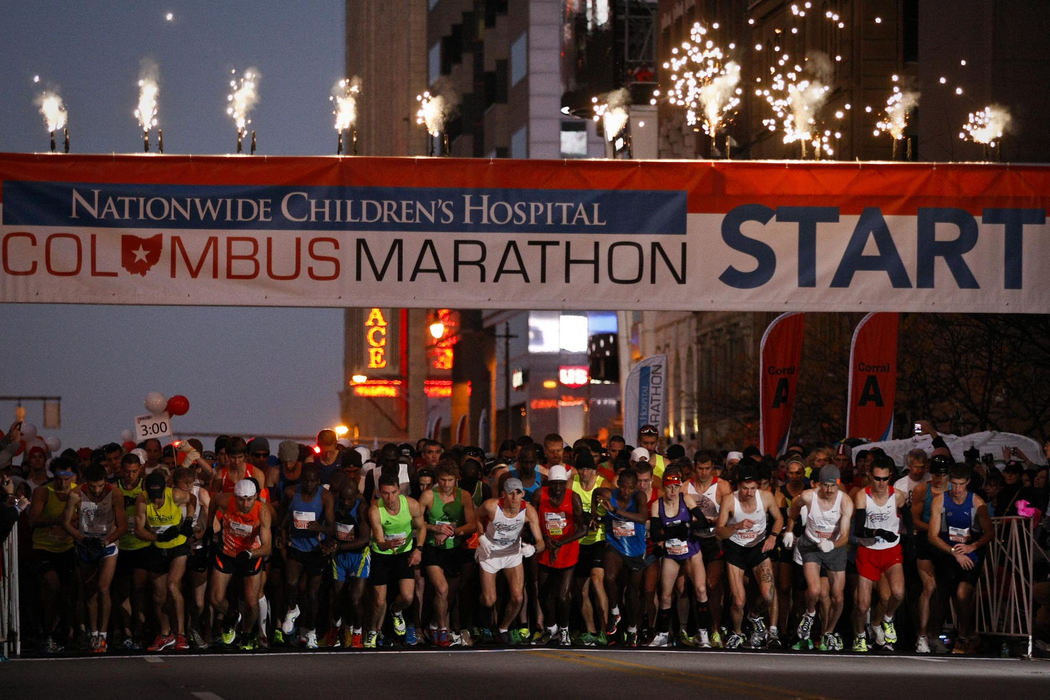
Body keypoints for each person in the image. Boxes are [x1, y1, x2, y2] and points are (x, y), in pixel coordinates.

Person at [60, 461, 127, 653]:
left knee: (103, 588)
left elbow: (122, 525)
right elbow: (65, 522)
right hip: (85, 543)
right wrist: (81, 539)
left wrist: (106, 541)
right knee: (90, 592)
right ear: (85, 483)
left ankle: (103, 635)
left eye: (100, 486)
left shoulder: (114, 493)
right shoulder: (75, 495)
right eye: (92, 486)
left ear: (105, 482)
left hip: (108, 544)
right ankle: (93, 632)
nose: (97, 491)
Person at [785, 465, 853, 652]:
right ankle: (809, 614)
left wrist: (832, 544)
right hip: (811, 545)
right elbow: (794, 508)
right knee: (814, 591)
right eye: (825, 486)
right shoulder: (808, 496)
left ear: (838, 484)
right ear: (819, 484)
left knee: (837, 597)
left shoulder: (844, 501)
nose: (829, 490)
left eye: (833, 486)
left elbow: (845, 535)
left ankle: (829, 632)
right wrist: (790, 531)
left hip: (835, 547)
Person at [928, 464, 994, 654]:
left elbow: (990, 533)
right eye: (954, 484)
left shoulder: (977, 502)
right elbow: (932, 535)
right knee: (941, 593)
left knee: (963, 593)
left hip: (971, 550)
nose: (957, 489)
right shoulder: (940, 500)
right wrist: (953, 552)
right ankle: (935, 635)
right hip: (949, 550)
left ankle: (964, 636)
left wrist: (971, 547)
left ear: (968, 483)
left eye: (961, 485)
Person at [716, 465, 784, 649]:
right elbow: (719, 532)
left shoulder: (766, 497)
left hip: (758, 548)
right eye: (745, 488)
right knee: (738, 601)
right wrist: (737, 526)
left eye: (753, 488)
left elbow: (779, 519)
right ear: (739, 486)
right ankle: (737, 633)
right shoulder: (730, 500)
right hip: (736, 549)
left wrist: (773, 536)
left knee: (768, 596)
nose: (749, 492)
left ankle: (754, 615)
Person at [475, 476, 545, 645]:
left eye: (518, 493)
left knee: (518, 598)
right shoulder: (492, 506)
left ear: (523, 494)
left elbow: (541, 542)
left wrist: (533, 549)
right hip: (490, 553)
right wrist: (481, 537)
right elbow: (476, 518)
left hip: (512, 554)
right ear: (503, 495)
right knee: (489, 599)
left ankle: (503, 628)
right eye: (510, 493)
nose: (514, 497)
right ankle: (482, 623)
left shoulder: (528, 511)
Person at [647, 470, 713, 648]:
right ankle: (662, 634)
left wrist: (687, 525)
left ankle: (704, 633)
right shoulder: (657, 505)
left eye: (676, 487)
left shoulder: (686, 499)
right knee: (666, 594)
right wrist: (677, 530)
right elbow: (654, 533)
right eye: (669, 487)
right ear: (664, 488)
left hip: (691, 551)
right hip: (672, 552)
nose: (673, 491)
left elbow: (703, 522)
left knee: (700, 589)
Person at [850, 454, 908, 652]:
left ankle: (885, 620)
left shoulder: (898, 496)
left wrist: (907, 538)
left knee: (897, 593)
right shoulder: (861, 495)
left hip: (891, 550)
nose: (881, 483)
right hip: (868, 551)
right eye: (877, 479)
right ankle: (859, 636)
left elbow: (908, 522)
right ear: (869, 476)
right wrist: (878, 532)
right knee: (862, 604)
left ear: (890, 477)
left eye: (885, 479)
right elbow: (858, 529)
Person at [209, 477, 273, 649]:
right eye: (241, 499)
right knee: (215, 599)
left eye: (249, 499)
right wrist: (209, 526)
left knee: (251, 602)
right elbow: (213, 501)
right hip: (227, 552)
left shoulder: (262, 511)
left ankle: (246, 634)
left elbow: (267, 548)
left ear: (256, 497)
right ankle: (232, 615)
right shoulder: (225, 500)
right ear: (234, 497)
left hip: (250, 554)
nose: (245, 504)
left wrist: (250, 553)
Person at [135, 471, 194, 652]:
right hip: (158, 546)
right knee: (159, 595)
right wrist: (155, 537)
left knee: (172, 585)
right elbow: (138, 530)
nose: (156, 502)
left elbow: (192, 499)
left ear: (165, 490)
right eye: (153, 497)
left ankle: (182, 634)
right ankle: (165, 633)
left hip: (178, 545)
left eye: (159, 497)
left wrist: (188, 521)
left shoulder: (174, 494)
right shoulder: (142, 501)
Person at [277, 463, 334, 649]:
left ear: (318, 481)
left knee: (312, 594)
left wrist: (321, 527)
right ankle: (292, 610)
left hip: (316, 549)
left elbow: (333, 526)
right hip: (297, 546)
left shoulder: (325, 497)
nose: (309, 484)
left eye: (312, 481)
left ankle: (311, 632)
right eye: (305, 481)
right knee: (291, 582)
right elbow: (284, 516)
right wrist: (283, 535)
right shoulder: (292, 493)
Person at [418, 463, 476, 646]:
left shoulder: (464, 496)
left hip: (455, 549)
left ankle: (434, 624)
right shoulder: (428, 495)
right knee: (441, 589)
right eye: (443, 480)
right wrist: (436, 528)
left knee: (449, 594)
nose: (446, 484)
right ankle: (443, 630)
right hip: (432, 548)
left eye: (450, 480)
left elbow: (472, 524)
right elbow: (416, 523)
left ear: (456, 479)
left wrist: (453, 531)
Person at [366, 473, 425, 648]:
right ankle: (373, 631)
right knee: (378, 600)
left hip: (403, 554)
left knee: (407, 597)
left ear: (399, 490)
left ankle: (396, 610)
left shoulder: (412, 505)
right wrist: (388, 544)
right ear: (379, 492)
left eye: (393, 492)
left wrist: (418, 549)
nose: (389, 497)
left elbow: (421, 528)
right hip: (382, 555)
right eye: (385, 493)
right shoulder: (375, 510)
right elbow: (379, 541)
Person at [28, 456, 78, 653]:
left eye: (67, 478)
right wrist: (59, 520)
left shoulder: (78, 492)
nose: (62, 482)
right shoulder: (43, 492)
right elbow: (33, 519)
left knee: (68, 592)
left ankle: (63, 632)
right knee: (51, 585)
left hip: (67, 549)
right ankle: (46, 632)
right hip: (44, 548)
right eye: (58, 477)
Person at [533, 464, 586, 646]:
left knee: (563, 595)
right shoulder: (540, 495)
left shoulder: (574, 497)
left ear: (565, 483)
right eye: (554, 484)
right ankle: (551, 628)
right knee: (543, 592)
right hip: (546, 547)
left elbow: (583, 529)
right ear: (549, 482)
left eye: (560, 484)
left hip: (567, 548)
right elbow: (530, 520)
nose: (557, 488)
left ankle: (564, 630)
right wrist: (544, 538)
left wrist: (561, 543)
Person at [596, 468, 648, 647]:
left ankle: (632, 630)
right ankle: (614, 611)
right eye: (624, 488)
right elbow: (596, 492)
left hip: (635, 549)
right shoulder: (610, 494)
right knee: (609, 577)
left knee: (632, 593)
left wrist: (617, 511)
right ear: (618, 485)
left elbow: (642, 517)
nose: (627, 492)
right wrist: (596, 514)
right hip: (616, 544)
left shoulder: (639, 497)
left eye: (631, 488)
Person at [686, 449, 732, 647]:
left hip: (714, 542)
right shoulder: (685, 487)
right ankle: (697, 629)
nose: (704, 472)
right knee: (695, 587)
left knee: (713, 586)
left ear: (713, 468)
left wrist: (718, 521)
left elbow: (731, 513)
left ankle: (714, 630)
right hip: (693, 541)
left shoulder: (722, 486)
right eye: (700, 468)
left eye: (707, 468)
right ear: (695, 467)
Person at [911, 454, 951, 653]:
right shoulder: (921, 490)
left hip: (946, 543)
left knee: (942, 590)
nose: (939, 478)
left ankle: (935, 635)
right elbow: (915, 520)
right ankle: (922, 635)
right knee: (929, 586)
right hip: (926, 541)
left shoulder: (955, 490)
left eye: (943, 475)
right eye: (935, 474)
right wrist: (933, 529)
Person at [324, 479, 371, 648]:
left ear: (355, 497)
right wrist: (327, 543)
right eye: (343, 498)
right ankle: (335, 630)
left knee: (355, 599)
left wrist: (339, 546)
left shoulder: (362, 508)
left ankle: (357, 633)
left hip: (358, 557)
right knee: (337, 597)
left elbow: (365, 539)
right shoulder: (334, 505)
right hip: (340, 557)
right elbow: (329, 529)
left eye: (349, 499)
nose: (346, 502)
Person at [571, 449, 610, 646]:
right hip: (579, 541)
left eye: (587, 469)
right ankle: (590, 630)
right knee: (582, 589)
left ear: (594, 470)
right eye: (580, 469)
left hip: (598, 540)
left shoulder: (603, 483)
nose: (583, 473)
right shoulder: (573, 483)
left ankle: (604, 631)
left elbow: (612, 511)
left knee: (596, 580)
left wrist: (598, 519)